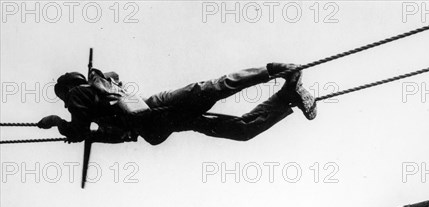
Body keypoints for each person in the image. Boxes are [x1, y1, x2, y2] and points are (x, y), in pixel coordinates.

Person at [37, 63, 317, 145]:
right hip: (154, 111)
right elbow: (111, 134)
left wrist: (58, 124)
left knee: (215, 96)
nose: (65, 105)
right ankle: (285, 92)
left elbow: (79, 129)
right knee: (212, 90)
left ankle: (279, 75)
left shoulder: (76, 94)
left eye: (62, 99)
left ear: (67, 89)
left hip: (154, 120)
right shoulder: (102, 87)